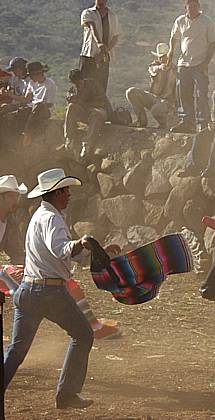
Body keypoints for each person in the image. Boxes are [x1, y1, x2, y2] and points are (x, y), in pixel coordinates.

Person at [4, 168, 98, 409]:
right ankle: (67, 394)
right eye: (65, 190)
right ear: (56, 193)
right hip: (49, 293)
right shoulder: (52, 218)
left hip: (29, 290)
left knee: (17, 350)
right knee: (83, 334)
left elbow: (63, 254)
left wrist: (88, 249)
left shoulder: (42, 215)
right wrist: (83, 242)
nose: (69, 195)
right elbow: (63, 250)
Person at [0, 174, 121, 340]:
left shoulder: (11, 221)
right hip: (30, 279)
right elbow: (60, 250)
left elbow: (16, 253)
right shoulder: (48, 217)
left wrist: (29, 271)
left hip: (30, 277)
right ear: (2, 197)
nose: (16, 200)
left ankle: (93, 327)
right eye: (12, 196)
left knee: (67, 288)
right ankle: (92, 327)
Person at [167, 0, 215, 134]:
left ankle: (203, 124)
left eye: (195, 6)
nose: (193, 9)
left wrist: (206, 62)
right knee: (183, 94)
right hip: (183, 63)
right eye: (190, 7)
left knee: (201, 93)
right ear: (186, 7)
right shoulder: (180, 21)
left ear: (199, 7)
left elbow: (213, 42)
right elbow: (174, 37)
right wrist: (170, 52)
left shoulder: (206, 22)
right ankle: (187, 122)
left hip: (200, 63)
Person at [63, 69, 111, 160]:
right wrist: (72, 100)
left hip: (99, 110)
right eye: (75, 83)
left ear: (82, 79)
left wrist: (82, 103)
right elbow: (72, 104)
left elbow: (101, 102)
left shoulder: (94, 85)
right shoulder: (73, 89)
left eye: (79, 82)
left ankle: (87, 144)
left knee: (96, 114)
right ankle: (69, 139)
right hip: (85, 112)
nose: (77, 85)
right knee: (71, 107)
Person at [126, 43, 176, 129]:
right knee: (131, 92)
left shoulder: (175, 70)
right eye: (160, 56)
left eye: (164, 56)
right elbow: (153, 69)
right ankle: (141, 120)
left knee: (157, 109)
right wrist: (161, 67)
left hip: (166, 102)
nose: (162, 58)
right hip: (153, 98)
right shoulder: (155, 66)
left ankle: (165, 124)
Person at [80, 0, 121, 93]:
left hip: (104, 57)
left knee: (101, 87)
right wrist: (99, 43)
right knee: (84, 85)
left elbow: (116, 36)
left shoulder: (112, 16)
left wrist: (103, 52)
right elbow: (92, 27)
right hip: (89, 55)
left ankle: (100, 106)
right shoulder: (88, 12)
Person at [17, 62, 57, 144]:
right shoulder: (31, 83)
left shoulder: (50, 83)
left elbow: (50, 103)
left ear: (38, 74)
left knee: (38, 106)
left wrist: (36, 105)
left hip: (45, 109)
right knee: (19, 112)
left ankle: (27, 133)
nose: (30, 78)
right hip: (32, 107)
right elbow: (27, 99)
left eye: (32, 75)